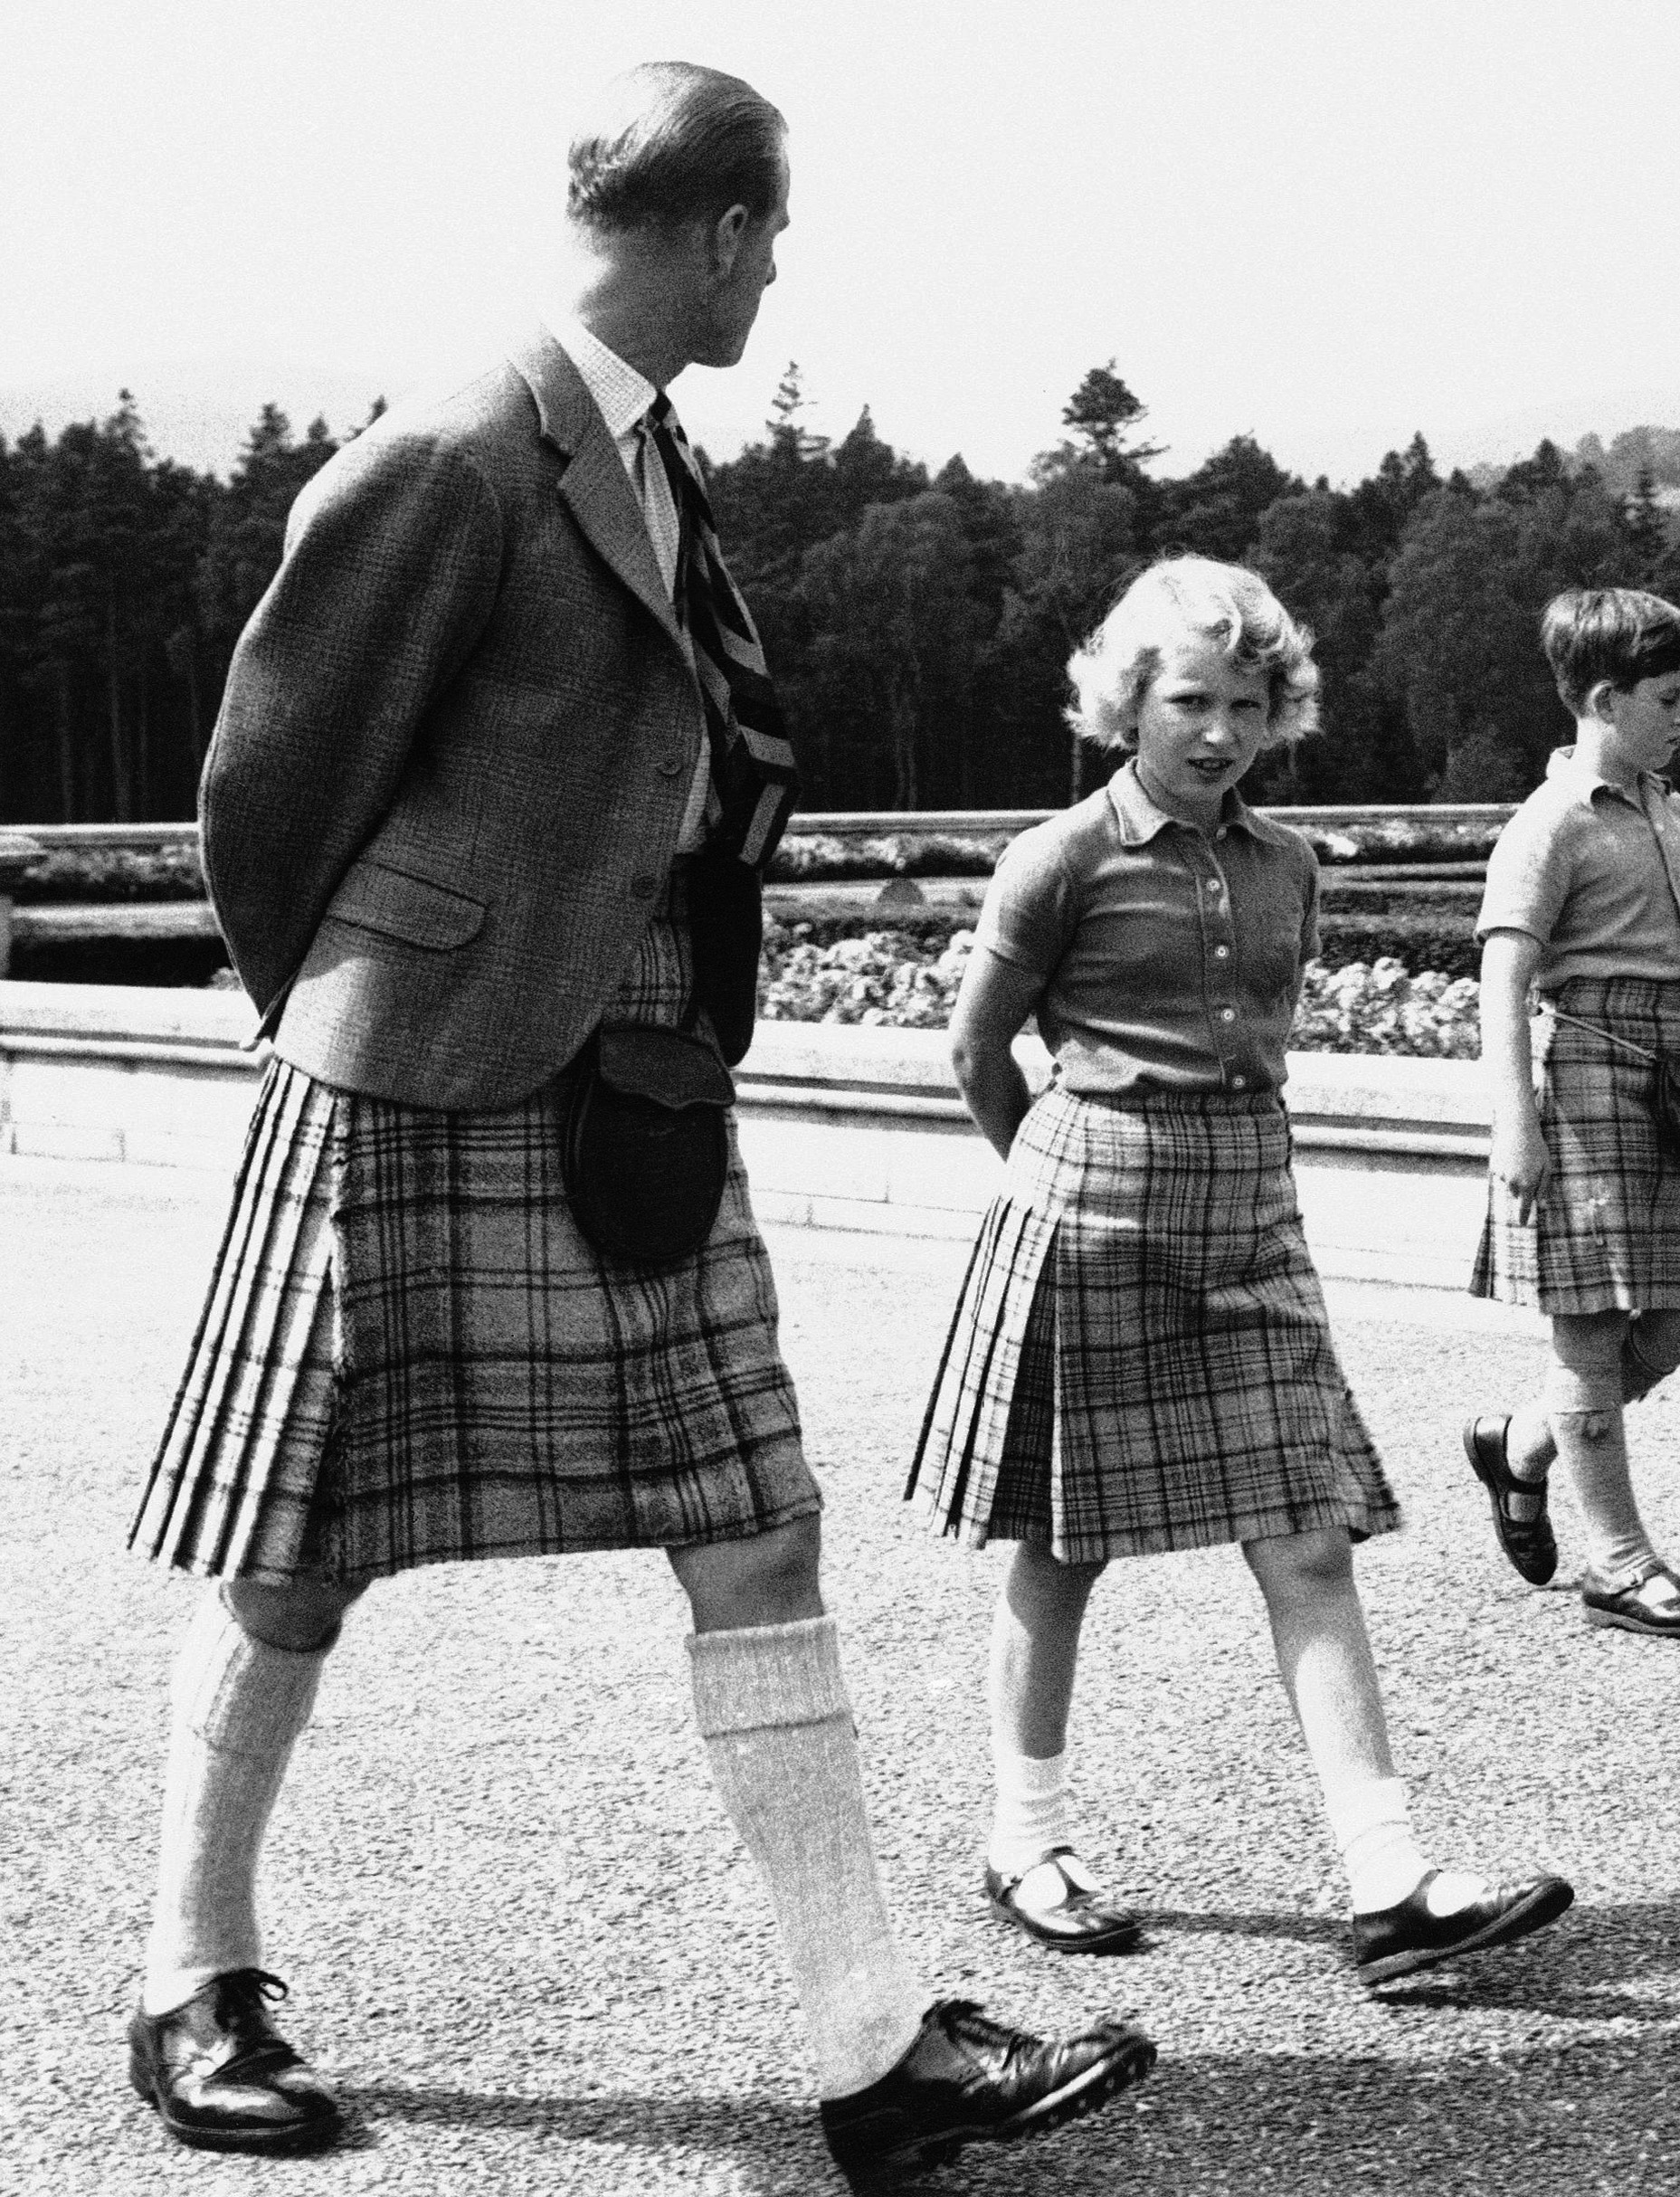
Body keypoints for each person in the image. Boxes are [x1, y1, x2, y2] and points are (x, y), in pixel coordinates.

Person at [120, 65, 1150, 2192]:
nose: (778, 273)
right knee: (300, 1553)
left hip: (639, 1070)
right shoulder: (458, 448)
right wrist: (365, 1007)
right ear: (719, 230)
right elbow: (266, 783)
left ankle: (874, 2054)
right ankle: (185, 1970)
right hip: (425, 1068)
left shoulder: (639, 444)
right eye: (772, 237)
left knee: (757, 1519)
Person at [908, 556, 1573, 1985]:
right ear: (1126, 703)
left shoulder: (1288, 864)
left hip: (1251, 1208)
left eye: (1247, 705)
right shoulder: (1059, 858)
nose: (1217, 733)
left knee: (1307, 1536)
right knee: (1063, 1542)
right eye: (1189, 701)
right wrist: (1058, 1184)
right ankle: (1024, 1841)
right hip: (1089, 1205)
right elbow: (975, 1055)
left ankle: (1389, 1881)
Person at [1460, 589, 1680, 1640]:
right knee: (1589, 1334)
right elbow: (1502, 973)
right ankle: (1619, 1564)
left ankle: (1524, 1444)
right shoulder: (1549, 824)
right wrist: (1513, 1126)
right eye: (1667, 699)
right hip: (1582, 1072)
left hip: (1667, 1075)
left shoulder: (1667, 805)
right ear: (1603, 698)